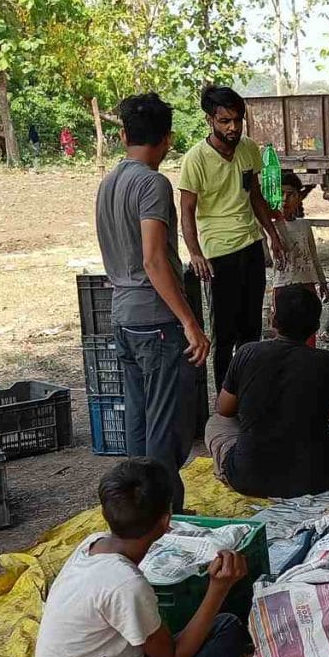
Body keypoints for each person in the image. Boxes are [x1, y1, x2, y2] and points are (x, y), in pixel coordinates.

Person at [35, 458, 270, 657]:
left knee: (225, 624)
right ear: (165, 521)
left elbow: (114, 636)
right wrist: (219, 587)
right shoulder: (125, 583)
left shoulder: (93, 544)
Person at [96, 93, 210, 514]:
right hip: (156, 322)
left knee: (139, 427)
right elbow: (154, 258)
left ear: (123, 135)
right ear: (168, 139)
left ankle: (136, 515)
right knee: (165, 431)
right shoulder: (152, 183)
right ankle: (166, 518)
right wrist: (189, 322)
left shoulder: (108, 182)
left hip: (123, 318)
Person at [204, 284, 329, 498]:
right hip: (316, 477)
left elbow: (225, 409)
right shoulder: (328, 362)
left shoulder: (246, 353)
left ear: (273, 321)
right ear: (314, 327)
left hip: (248, 477)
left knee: (214, 423)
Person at [179, 85, 285, 391]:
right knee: (224, 332)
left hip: (250, 244)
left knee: (252, 328)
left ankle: (251, 391)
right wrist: (196, 252)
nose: (233, 127)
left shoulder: (249, 148)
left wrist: (272, 235)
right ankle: (227, 399)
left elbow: (256, 196)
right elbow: (186, 211)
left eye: (237, 120)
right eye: (225, 120)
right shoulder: (195, 159)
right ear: (210, 120)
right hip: (218, 252)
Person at [271, 170, 328, 347]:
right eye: (281, 194)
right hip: (283, 285)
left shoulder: (304, 225)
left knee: (309, 332)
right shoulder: (271, 227)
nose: (285, 199)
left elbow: (313, 255)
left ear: (299, 198)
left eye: (291, 194)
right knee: (284, 332)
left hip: (307, 283)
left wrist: (322, 282)